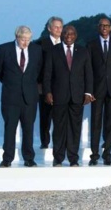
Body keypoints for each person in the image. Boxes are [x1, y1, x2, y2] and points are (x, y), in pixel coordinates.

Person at [43, 25, 94, 167]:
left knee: (75, 129)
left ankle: (73, 158)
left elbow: (88, 74)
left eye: (71, 33)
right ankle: (58, 158)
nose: (68, 36)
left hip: (77, 96)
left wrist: (88, 93)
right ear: (62, 35)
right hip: (58, 96)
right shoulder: (53, 50)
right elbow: (47, 74)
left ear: (76, 35)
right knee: (58, 128)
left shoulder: (83, 51)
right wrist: (47, 92)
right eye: (66, 33)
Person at [0, 26, 43, 167]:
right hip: (10, 96)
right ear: (16, 36)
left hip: (30, 96)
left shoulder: (36, 50)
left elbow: (38, 70)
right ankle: (7, 158)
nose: (25, 42)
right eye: (23, 39)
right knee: (10, 128)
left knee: (28, 128)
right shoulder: (4, 49)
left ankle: (28, 158)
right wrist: (10, 82)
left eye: (28, 39)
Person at [86, 17, 111, 166]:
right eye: (102, 26)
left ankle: (107, 153)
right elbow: (87, 69)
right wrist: (88, 91)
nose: (104, 28)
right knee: (95, 123)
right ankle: (94, 154)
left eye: (107, 26)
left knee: (110, 123)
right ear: (98, 27)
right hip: (96, 90)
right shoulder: (91, 44)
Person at [36, 16, 63, 149]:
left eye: (60, 27)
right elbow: (37, 66)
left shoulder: (66, 42)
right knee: (45, 116)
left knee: (59, 117)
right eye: (56, 27)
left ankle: (59, 143)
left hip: (62, 87)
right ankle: (45, 142)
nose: (58, 29)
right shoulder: (40, 44)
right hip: (44, 87)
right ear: (49, 28)